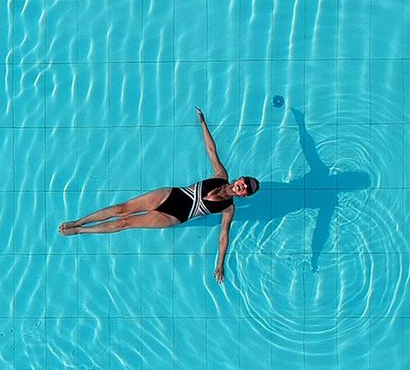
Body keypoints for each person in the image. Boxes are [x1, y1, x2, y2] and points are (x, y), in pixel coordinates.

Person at [58, 108, 260, 283]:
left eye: (246, 190)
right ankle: (79, 221)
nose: (243, 187)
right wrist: (203, 122)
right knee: (121, 209)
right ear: (240, 178)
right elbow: (211, 150)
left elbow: (224, 236)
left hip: (174, 216)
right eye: (245, 183)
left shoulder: (228, 208)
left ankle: (80, 231)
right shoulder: (221, 175)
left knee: (125, 223)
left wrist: (220, 264)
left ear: (244, 196)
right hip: (170, 195)